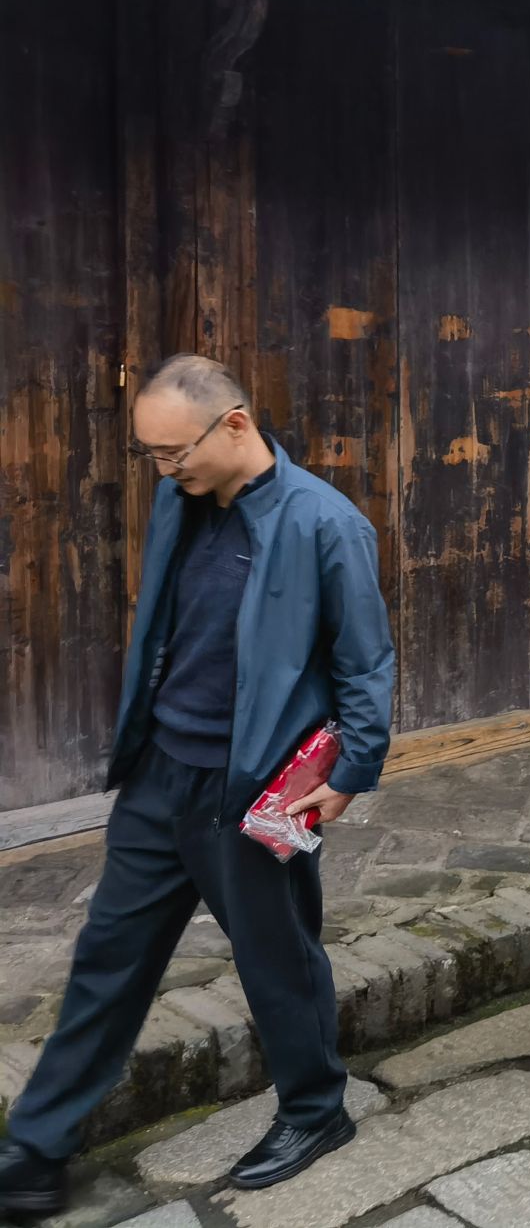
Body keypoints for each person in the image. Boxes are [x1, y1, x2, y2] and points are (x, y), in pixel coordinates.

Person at [0, 356, 394, 1215]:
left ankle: (316, 1109)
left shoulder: (326, 523)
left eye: (173, 451)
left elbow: (366, 661)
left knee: (276, 956)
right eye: (152, 453)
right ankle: (36, 1146)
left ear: (236, 424)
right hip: (158, 773)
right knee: (108, 955)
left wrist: (352, 771)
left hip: (252, 784)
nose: (163, 467)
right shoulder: (180, 500)